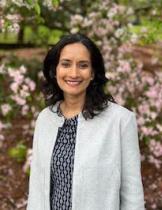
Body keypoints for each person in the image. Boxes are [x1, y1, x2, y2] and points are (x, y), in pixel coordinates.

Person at [26, 33, 145, 210]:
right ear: (55, 70)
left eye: (83, 65)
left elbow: (132, 193)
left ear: (93, 73)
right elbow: (37, 187)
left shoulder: (121, 121)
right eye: (66, 64)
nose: (73, 73)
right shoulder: (45, 118)